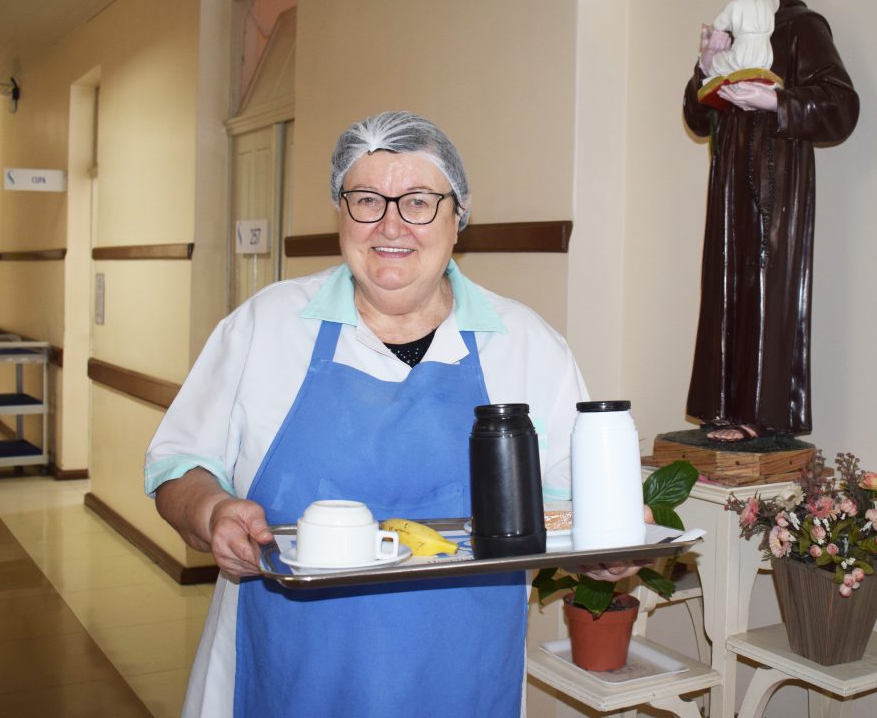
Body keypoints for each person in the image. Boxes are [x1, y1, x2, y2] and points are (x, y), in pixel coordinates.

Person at [145, 111, 617, 717]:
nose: (391, 225)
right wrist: (211, 511)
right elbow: (177, 466)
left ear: (458, 216)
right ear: (342, 213)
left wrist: (606, 548)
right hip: (286, 676)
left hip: (462, 679)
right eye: (367, 200)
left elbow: (575, 509)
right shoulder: (266, 327)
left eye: (419, 201)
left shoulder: (526, 346)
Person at [683, 0, 859, 443]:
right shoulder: (728, 28)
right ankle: (722, 407)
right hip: (729, 182)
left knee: (764, 287)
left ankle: (758, 416)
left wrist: (775, 102)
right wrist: (705, 66)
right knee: (724, 287)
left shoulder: (801, 26)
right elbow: (696, 118)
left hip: (777, 181)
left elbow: (841, 105)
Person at [705, 0, 778, 80]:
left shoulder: (735, 6)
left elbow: (718, 25)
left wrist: (709, 34)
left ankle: (716, 84)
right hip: (764, 57)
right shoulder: (768, 3)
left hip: (741, 57)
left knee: (716, 62)